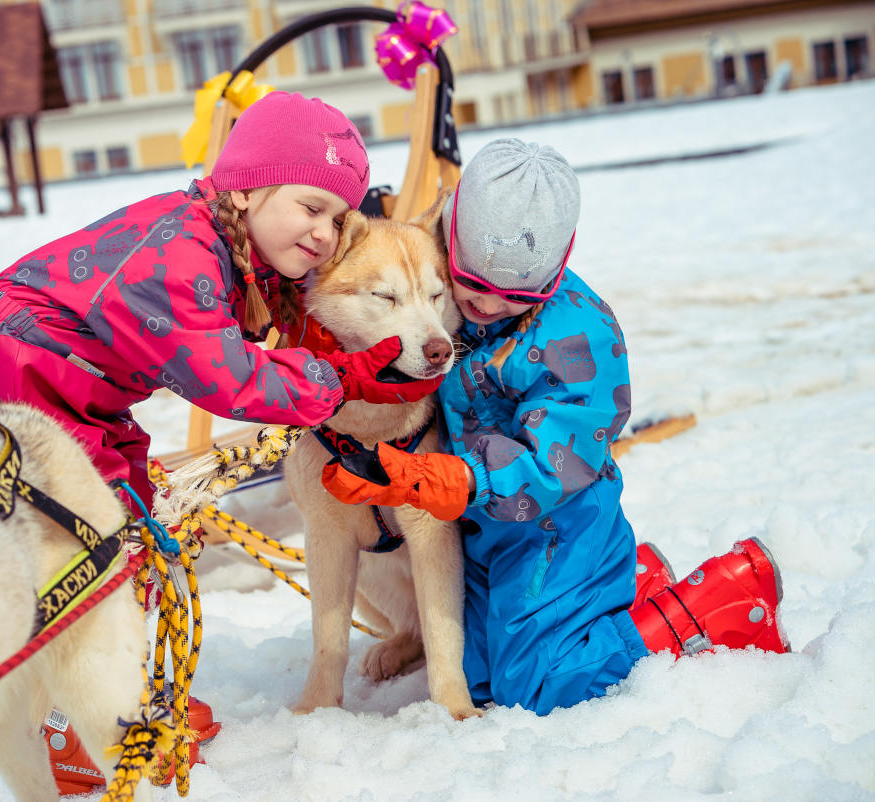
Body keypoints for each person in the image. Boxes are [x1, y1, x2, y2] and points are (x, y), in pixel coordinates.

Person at [0, 91, 443, 789]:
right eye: (311, 207)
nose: (327, 233)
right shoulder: (181, 252)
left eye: (338, 217)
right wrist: (336, 383)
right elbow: (229, 380)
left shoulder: (234, 246)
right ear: (247, 190)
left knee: (136, 530)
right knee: (90, 551)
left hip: (83, 391)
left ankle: (102, 696)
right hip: (22, 377)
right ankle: (82, 720)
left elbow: (273, 321)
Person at [319, 138, 789, 716]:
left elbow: (556, 465)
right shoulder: (444, 289)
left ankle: (721, 600)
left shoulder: (576, 339)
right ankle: (622, 589)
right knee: (473, 672)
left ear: (553, 270)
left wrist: (454, 482)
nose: (485, 308)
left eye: (513, 296)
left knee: (540, 685)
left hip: (556, 525)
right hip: (484, 532)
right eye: (470, 286)